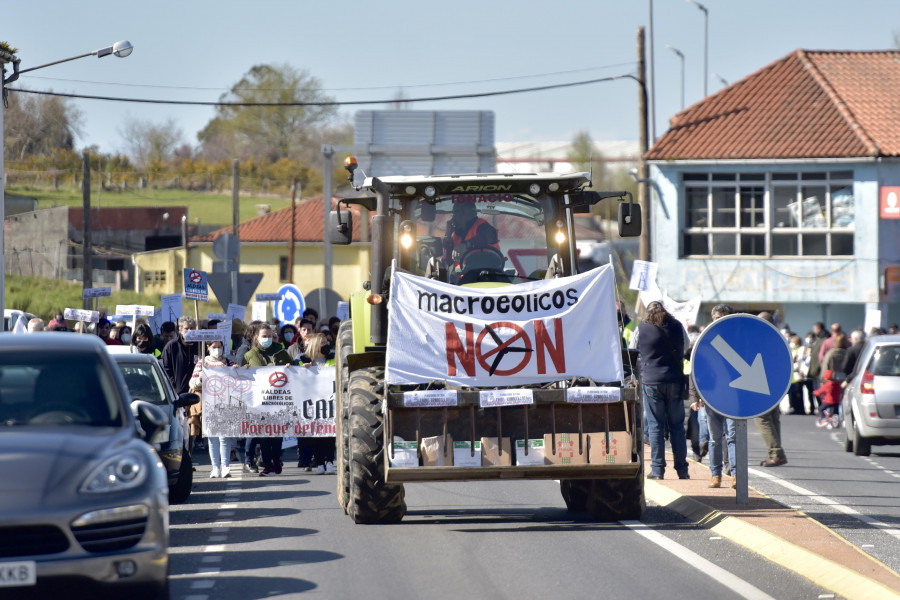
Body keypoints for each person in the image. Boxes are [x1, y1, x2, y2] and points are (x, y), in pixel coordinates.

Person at [633, 301, 690, 480]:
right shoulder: (677, 326)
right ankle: (682, 470)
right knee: (677, 427)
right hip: (674, 381)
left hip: (651, 382)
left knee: (656, 427)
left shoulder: (641, 328)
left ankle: (658, 470)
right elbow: (686, 345)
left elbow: (633, 349)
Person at [689, 303, 738, 488]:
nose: (720, 322)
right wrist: (694, 397)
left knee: (733, 437)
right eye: (717, 318)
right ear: (712, 319)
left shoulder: (737, 339)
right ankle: (715, 475)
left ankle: (735, 474)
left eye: (724, 318)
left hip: (733, 397)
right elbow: (695, 370)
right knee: (715, 438)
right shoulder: (705, 339)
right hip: (711, 396)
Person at [242, 322, 292, 476]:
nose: (268, 338)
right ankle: (268, 464)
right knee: (263, 434)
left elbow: (294, 367)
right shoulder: (250, 355)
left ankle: (276, 461)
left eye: (270, 336)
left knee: (277, 434)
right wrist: (242, 369)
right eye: (264, 336)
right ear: (257, 337)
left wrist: (293, 366)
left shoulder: (281, 351)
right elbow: (242, 377)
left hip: (278, 400)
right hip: (260, 401)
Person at [190, 339, 234, 478]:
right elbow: (192, 383)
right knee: (212, 438)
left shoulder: (228, 362)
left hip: (225, 403)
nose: (217, 350)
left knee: (224, 437)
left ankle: (226, 466)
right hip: (209, 404)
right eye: (214, 347)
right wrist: (200, 379)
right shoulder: (202, 363)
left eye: (219, 347)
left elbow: (239, 377)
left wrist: (238, 370)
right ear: (208, 347)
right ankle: (215, 467)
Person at [300, 333, 337, 475]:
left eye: (326, 342)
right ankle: (319, 462)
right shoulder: (303, 359)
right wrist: (303, 368)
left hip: (329, 401)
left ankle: (329, 461)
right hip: (311, 402)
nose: (325, 344)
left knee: (329, 433)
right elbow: (294, 372)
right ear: (315, 344)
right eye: (322, 343)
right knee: (315, 434)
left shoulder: (333, 358)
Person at [755, 311, 788, 467]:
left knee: (762, 418)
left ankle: (776, 452)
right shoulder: (778, 338)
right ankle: (773, 453)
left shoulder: (762, 337)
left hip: (762, 382)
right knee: (773, 419)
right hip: (776, 384)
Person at [443, 201, 501, 283]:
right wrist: (448, 235)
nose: (452, 218)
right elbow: (448, 262)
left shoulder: (483, 226)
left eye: (455, 213)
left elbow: (485, 237)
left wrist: (465, 245)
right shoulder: (455, 235)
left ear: (465, 214)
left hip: (489, 277)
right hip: (462, 281)